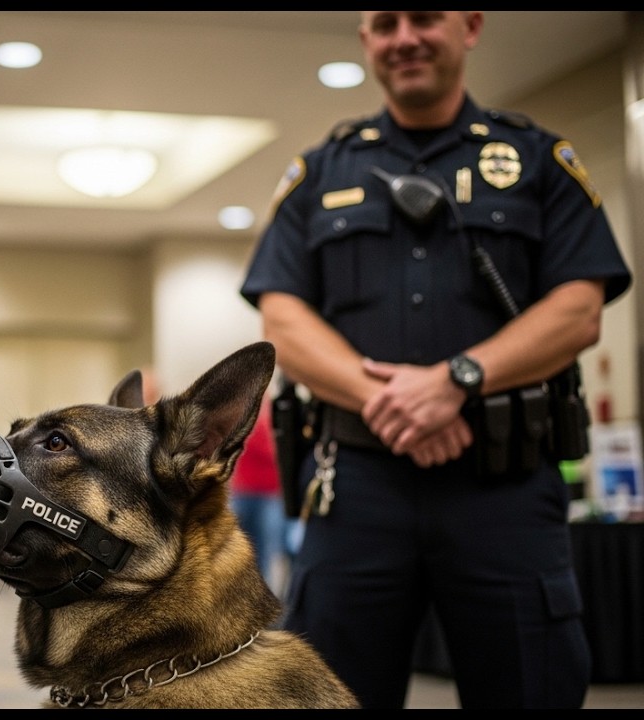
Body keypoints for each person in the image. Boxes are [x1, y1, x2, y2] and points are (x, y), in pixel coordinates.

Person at [239, 11, 631, 709]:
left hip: (505, 487)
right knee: (329, 695)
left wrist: (457, 381)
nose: (405, 38)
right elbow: (283, 321)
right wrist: (392, 400)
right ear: (366, 39)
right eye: (385, 23)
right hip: (355, 488)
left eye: (424, 18)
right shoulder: (319, 171)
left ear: (470, 26)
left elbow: (579, 308)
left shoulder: (538, 159)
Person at [228, 393, 288, 595]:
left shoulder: (273, 415)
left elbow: (276, 452)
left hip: (270, 495)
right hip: (243, 493)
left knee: (267, 551)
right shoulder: (240, 416)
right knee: (238, 549)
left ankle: (263, 596)